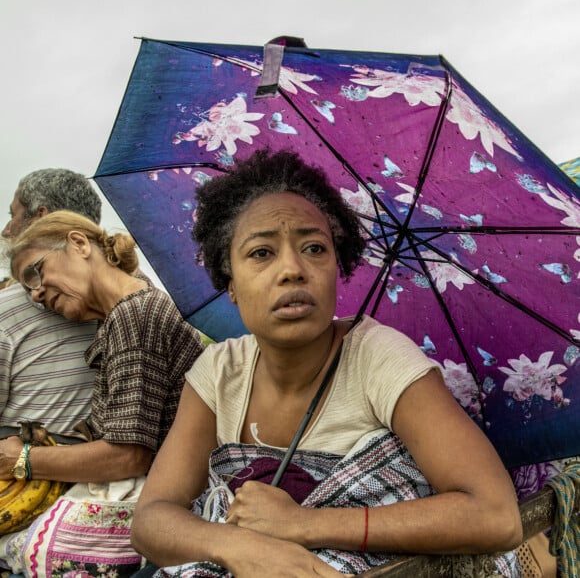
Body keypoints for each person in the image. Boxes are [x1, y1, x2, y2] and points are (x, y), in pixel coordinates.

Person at [130, 150, 523, 578]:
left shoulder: (378, 359)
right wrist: (241, 547)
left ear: (338, 267)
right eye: (262, 253)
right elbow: (151, 519)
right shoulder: (219, 372)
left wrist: (304, 524)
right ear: (232, 286)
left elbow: (495, 515)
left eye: (314, 248)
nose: (292, 269)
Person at [0, 210, 204, 577]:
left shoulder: (134, 316)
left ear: (79, 244)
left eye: (35, 271)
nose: (37, 292)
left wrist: (23, 459)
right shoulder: (129, 307)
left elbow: (128, 457)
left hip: (167, 503)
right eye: (28, 289)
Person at [0, 169, 101, 437]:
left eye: (13, 215)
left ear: (41, 218)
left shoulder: (6, 312)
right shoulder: (131, 297)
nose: (6, 229)